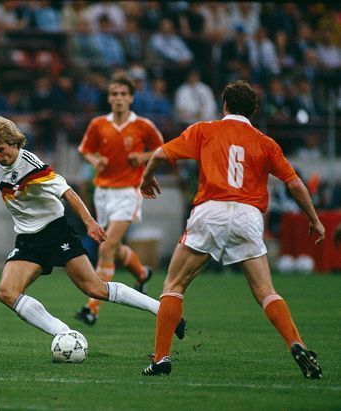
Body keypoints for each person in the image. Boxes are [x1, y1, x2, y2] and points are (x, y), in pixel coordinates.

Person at [0, 116, 185, 344]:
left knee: (95, 289)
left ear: (15, 143)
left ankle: (162, 310)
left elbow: (67, 192)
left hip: (56, 232)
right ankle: (64, 334)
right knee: (7, 293)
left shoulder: (34, 168)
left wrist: (89, 222)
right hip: (28, 239)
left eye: (2, 150)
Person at [139, 80, 324, 379]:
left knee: (173, 286)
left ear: (224, 105)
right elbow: (295, 184)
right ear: (254, 110)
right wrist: (314, 219)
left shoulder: (205, 130)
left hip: (211, 210)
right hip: (249, 216)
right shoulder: (265, 142)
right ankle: (297, 343)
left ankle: (161, 359)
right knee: (266, 291)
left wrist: (147, 178)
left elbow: (160, 155)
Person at [74, 76, 168, 327]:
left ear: (131, 98)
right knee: (112, 247)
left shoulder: (143, 126)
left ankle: (91, 308)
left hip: (129, 192)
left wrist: (144, 156)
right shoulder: (98, 124)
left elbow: (164, 151)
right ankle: (141, 272)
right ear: (109, 98)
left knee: (105, 248)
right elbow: (84, 150)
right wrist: (96, 162)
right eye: (114, 94)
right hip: (103, 193)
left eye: (123, 94)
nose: (118, 98)